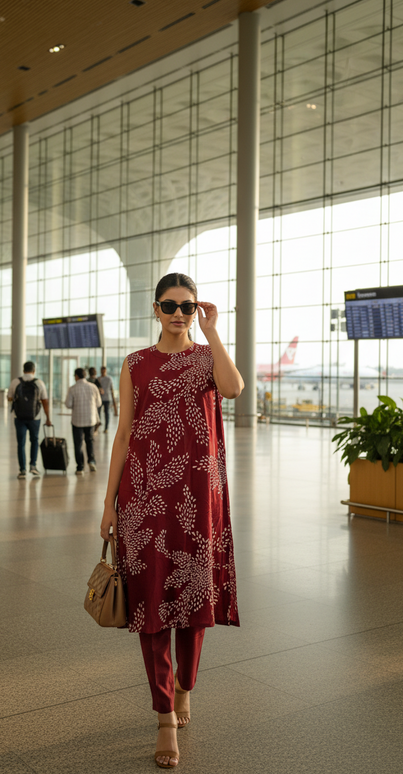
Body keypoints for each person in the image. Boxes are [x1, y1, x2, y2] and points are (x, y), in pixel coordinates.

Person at [100, 272, 243, 769]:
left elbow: (233, 388)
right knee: (151, 604)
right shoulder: (135, 363)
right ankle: (164, 715)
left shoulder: (206, 358)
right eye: (170, 305)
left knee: (193, 600)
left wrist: (215, 331)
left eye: (187, 305)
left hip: (196, 496)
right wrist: (108, 503)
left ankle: (186, 685)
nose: (179, 313)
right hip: (143, 498)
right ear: (154, 309)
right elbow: (122, 435)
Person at [7, 361, 51, 479]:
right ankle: (33, 466)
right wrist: (48, 418)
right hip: (35, 417)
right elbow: (45, 401)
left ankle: (22, 470)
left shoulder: (15, 382)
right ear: (34, 370)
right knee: (34, 440)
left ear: (23, 370)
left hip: (19, 417)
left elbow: (9, 397)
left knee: (21, 443)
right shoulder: (39, 383)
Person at [65, 367, 102, 475]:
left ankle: (80, 467)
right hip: (90, 420)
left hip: (77, 421)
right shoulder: (93, 387)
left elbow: (68, 404)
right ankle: (91, 461)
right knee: (89, 441)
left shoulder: (72, 388)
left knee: (78, 444)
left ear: (76, 376)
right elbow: (99, 403)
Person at [98, 365, 117, 433]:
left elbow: (111, 389)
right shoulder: (98, 379)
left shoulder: (109, 378)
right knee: (98, 413)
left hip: (107, 398)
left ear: (105, 371)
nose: (103, 372)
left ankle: (106, 428)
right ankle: (98, 426)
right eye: (102, 370)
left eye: (104, 370)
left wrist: (113, 399)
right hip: (100, 399)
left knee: (107, 413)